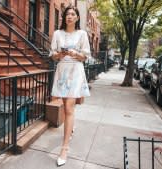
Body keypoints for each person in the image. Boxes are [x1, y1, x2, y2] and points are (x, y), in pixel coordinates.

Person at [49, 5, 91, 166]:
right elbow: (53, 56)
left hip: (75, 71)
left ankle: (64, 148)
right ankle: (70, 128)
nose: (69, 16)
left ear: (77, 18)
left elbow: (85, 56)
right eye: (67, 14)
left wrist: (75, 54)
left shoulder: (82, 34)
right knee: (66, 106)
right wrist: (60, 54)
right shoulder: (57, 34)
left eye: (73, 14)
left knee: (68, 108)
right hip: (62, 72)